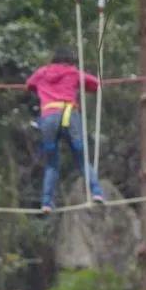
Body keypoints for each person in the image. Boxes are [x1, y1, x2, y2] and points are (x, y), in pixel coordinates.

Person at [26, 48, 106, 213]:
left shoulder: (42, 73)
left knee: (51, 164)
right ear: (70, 62)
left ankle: (46, 202)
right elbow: (96, 85)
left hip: (48, 117)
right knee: (82, 159)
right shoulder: (72, 72)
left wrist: (45, 90)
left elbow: (29, 85)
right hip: (69, 115)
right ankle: (97, 192)